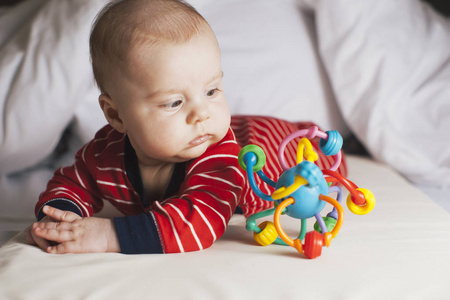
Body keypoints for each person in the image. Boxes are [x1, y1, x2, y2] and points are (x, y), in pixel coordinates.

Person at [26, 0, 346, 255]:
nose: (201, 114)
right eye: (174, 103)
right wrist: (57, 221)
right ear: (117, 115)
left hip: (266, 149)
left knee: (312, 162)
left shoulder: (221, 164)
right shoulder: (105, 153)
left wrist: (110, 235)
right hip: (234, 136)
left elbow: (197, 224)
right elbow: (72, 182)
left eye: (211, 92)